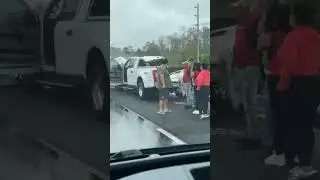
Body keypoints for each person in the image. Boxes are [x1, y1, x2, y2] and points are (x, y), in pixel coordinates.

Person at [275, 3, 320, 179]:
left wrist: (282, 85)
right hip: (314, 82)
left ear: (296, 18)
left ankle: (301, 163)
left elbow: (288, 64)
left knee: (296, 124)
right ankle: (305, 162)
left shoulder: (294, 37)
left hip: (298, 83)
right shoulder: (316, 36)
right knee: (307, 124)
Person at [257, 3, 292, 166]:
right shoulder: (291, 34)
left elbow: (260, 48)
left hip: (274, 76)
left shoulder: (269, 35)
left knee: (276, 114)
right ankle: (292, 151)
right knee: (289, 114)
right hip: (292, 76)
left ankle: (279, 152)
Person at [233, 3, 262, 149]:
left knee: (250, 102)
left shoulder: (250, 25)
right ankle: (250, 133)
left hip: (249, 67)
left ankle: (254, 136)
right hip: (244, 67)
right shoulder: (241, 27)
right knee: (247, 102)